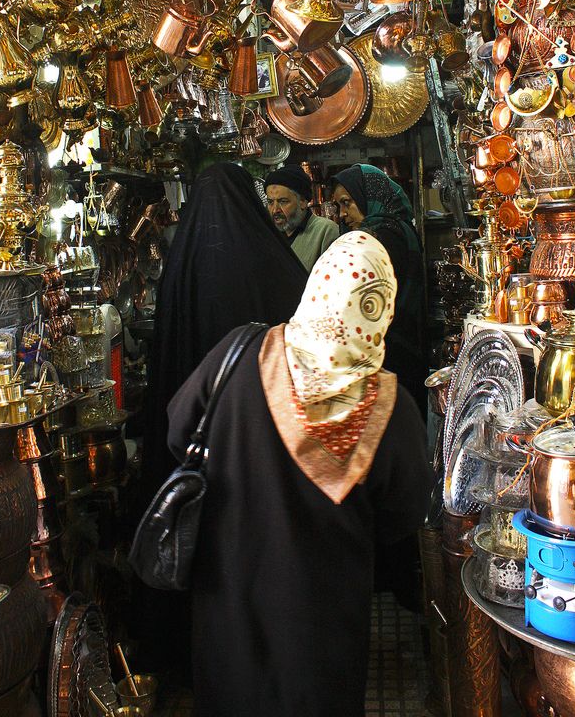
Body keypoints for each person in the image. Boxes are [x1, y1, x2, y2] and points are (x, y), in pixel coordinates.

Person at [167, 232, 432, 717]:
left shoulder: (241, 353)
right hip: (323, 617)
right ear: (380, 308)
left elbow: (178, 428)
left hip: (228, 591)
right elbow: (405, 512)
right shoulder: (391, 409)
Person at [134, 163, 308, 674]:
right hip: (267, 446)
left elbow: (167, 359)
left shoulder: (183, 266)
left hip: (197, 447)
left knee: (207, 555)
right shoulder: (272, 261)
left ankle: (199, 660)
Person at [331, 164, 428, 413]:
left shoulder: (378, 236)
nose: (342, 214)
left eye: (347, 203)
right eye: (339, 205)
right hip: (406, 346)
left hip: (386, 352)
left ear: (368, 197)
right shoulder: (401, 227)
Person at [264, 164, 339, 271]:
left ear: (303, 201)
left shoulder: (325, 231)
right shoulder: (269, 234)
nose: (275, 210)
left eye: (283, 201)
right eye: (270, 202)